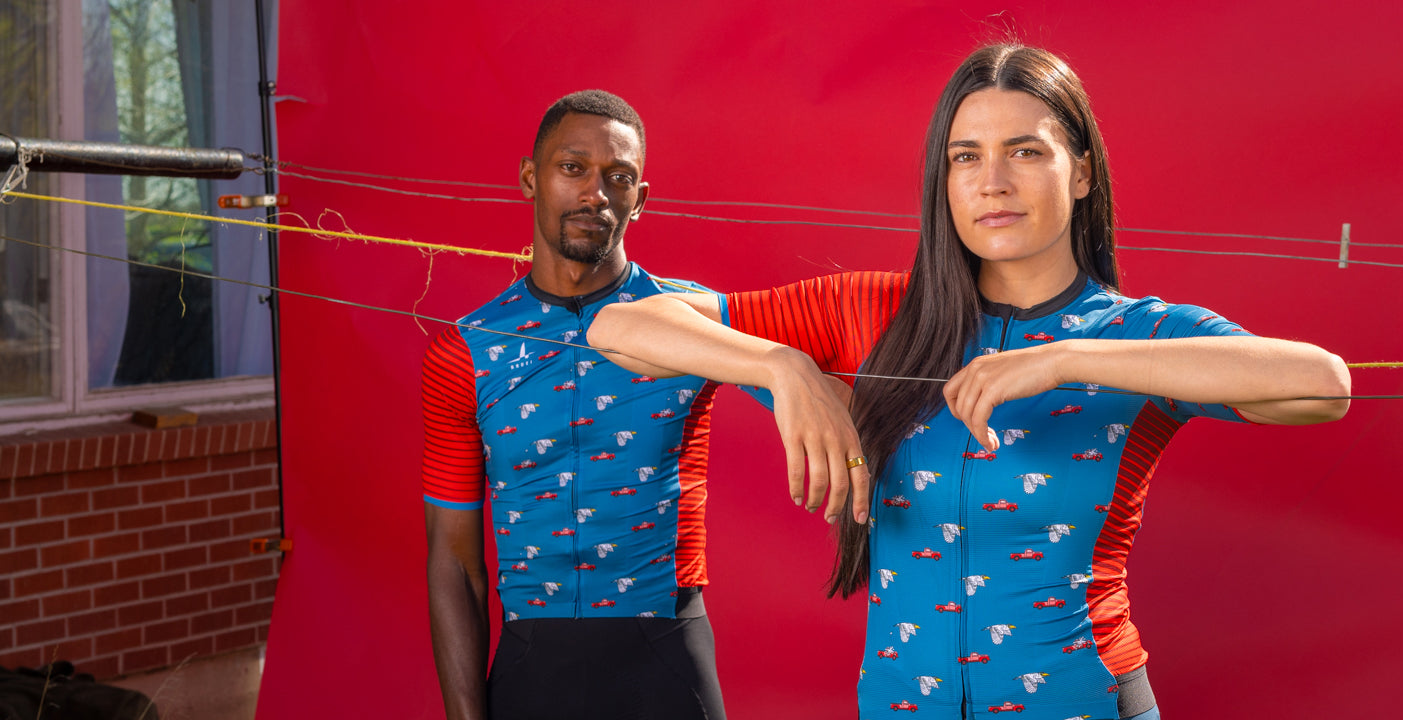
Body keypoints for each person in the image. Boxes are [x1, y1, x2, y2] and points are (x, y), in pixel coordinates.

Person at [587, 45, 1351, 720]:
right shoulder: (869, 311)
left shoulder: (1140, 335)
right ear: (941, 179)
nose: (992, 182)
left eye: (1025, 152)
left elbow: (1323, 385)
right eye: (965, 156)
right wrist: (780, 367)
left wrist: (1069, 358)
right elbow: (619, 327)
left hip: (1084, 701)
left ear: (1081, 171)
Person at [420, 90, 728, 720]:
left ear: (640, 199)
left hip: (668, 656)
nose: (597, 194)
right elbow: (454, 561)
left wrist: (806, 385)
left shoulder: (694, 319)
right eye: (573, 168)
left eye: (619, 178)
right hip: (534, 664)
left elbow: (825, 343)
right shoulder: (466, 351)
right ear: (531, 178)